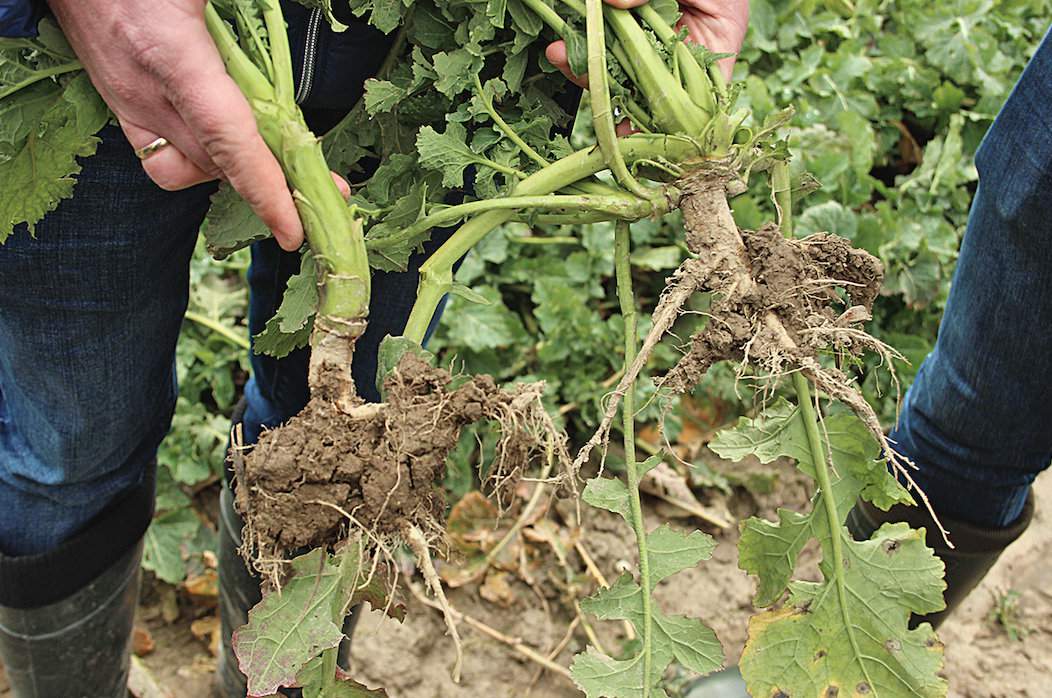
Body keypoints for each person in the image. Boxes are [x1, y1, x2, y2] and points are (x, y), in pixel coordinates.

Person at [0, 1, 747, 696]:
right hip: (96, 34)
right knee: (69, 445)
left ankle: (286, 669)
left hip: (431, 36)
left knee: (337, 458)